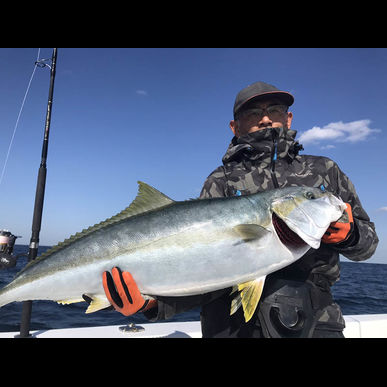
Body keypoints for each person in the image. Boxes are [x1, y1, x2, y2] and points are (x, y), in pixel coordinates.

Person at [101, 81, 379, 338]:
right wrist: (152, 305)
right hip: (230, 324)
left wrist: (350, 236)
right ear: (234, 127)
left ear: (289, 118)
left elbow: (368, 244)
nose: (266, 118)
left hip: (314, 320)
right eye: (252, 112)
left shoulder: (324, 171)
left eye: (275, 109)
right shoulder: (220, 181)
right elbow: (202, 264)